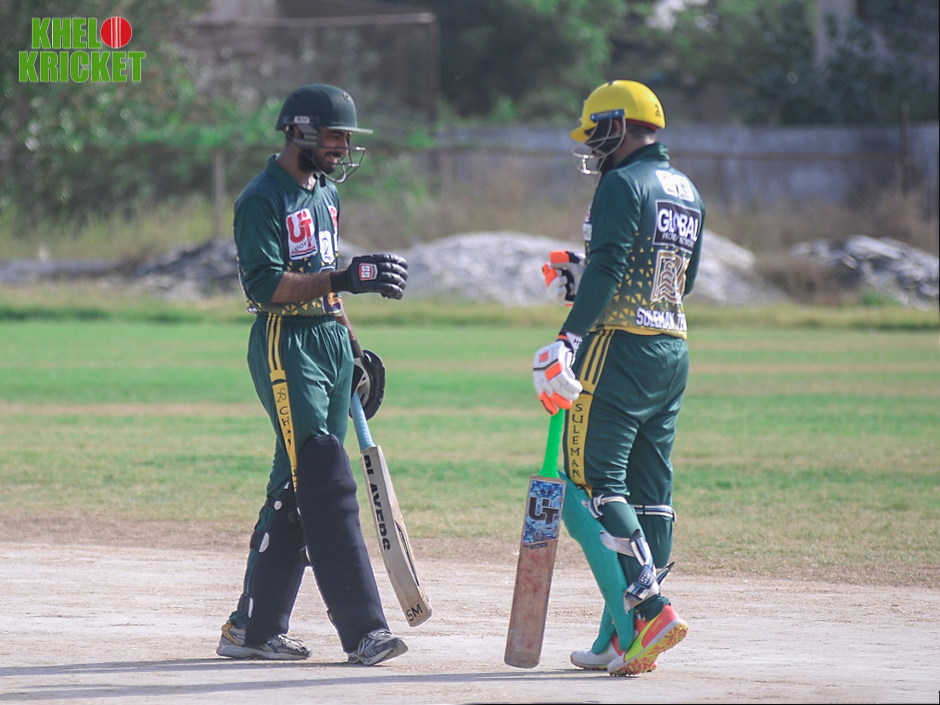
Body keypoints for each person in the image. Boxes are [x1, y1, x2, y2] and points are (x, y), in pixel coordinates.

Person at [216, 83, 410, 666]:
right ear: (298, 131)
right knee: (324, 474)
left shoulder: (326, 193)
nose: (342, 147)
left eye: (346, 138)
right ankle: (365, 631)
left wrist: (352, 345)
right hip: (286, 342)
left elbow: (325, 277)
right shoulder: (261, 198)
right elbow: (264, 286)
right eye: (333, 136)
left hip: (327, 340)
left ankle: (250, 629)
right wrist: (345, 278)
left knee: (294, 486)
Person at [533, 80, 704, 676]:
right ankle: (621, 634)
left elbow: (609, 266)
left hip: (618, 349)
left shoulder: (621, 182)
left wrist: (568, 336)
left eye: (596, 131)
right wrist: (588, 280)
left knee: (594, 483)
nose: (592, 145)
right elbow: (683, 280)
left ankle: (650, 611)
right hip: (672, 348)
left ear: (619, 126)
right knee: (651, 493)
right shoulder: (686, 189)